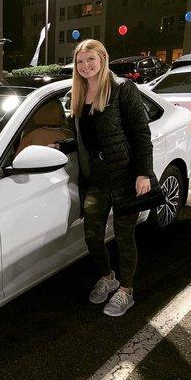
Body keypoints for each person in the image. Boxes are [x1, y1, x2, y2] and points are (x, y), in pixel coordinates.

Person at [69, 39, 153, 317]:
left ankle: (126, 291)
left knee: (124, 234)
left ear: (103, 58)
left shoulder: (122, 89)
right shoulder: (78, 95)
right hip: (98, 175)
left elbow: (141, 133)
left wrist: (143, 172)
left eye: (90, 59)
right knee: (92, 232)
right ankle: (108, 277)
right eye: (80, 62)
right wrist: (61, 145)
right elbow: (84, 138)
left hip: (126, 173)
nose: (85, 66)